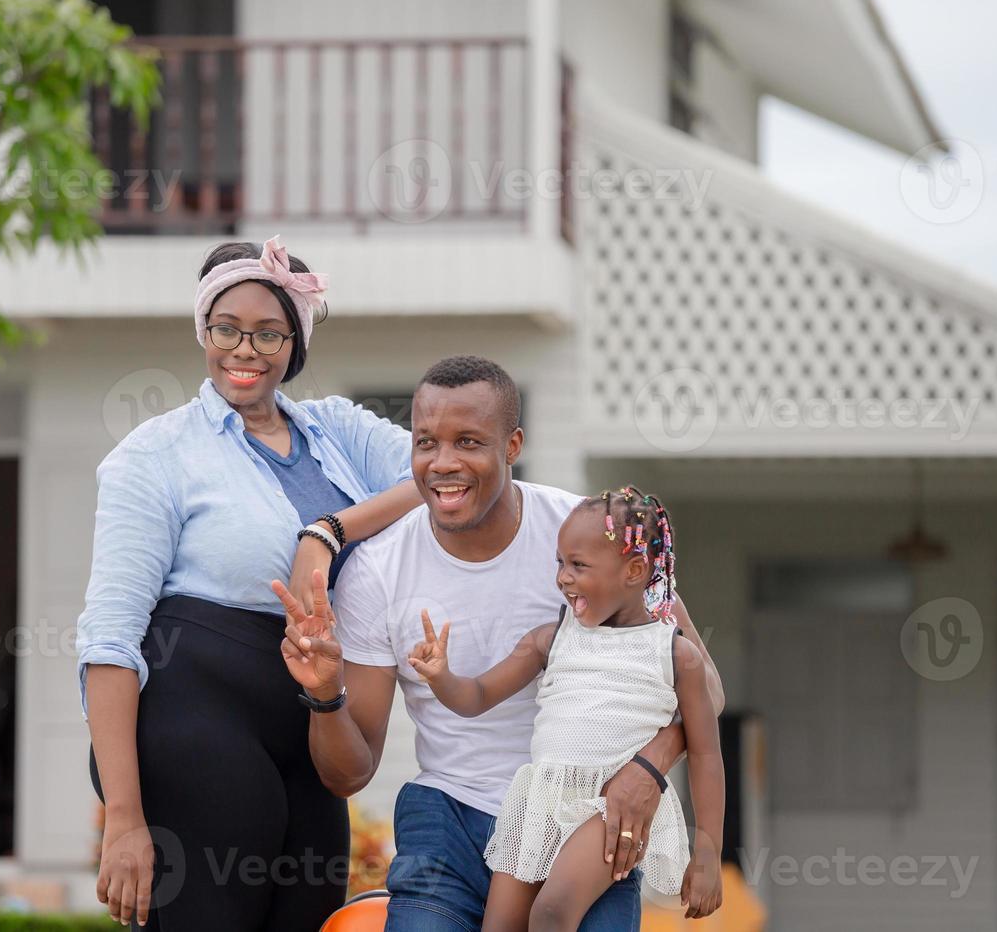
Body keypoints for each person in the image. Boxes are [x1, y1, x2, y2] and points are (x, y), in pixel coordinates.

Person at [271, 355, 725, 931]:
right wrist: (324, 694)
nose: (443, 463)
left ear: (512, 446)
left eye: (468, 441)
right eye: (426, 442)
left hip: (586, 818)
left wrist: (649, 767)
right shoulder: (379, 571)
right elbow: (348, 775)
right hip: (448, 821)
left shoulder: (584, 538)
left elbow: (704, 691)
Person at [77, 236, 422, 930]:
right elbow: (110, 641)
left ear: (296, 343)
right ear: (203, 330)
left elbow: (448, 474)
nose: (245, 350)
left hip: (308, 717)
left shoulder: (339, 432)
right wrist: (123, 820)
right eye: (226, 328)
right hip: (194, 714)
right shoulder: (155, 455)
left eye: (269, 333)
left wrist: (329, 529)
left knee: (310, 913)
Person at [407, 486, 725, 930]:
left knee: (553, 912)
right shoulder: (550, 638)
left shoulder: (675, 654)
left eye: (578, 565)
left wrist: (708, 852)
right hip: (539, 801)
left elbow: (708, 754)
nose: (563, 577)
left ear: (634, 570)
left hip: (608, 805)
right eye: (560, 562)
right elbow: (476, 696)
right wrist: (442, 676)